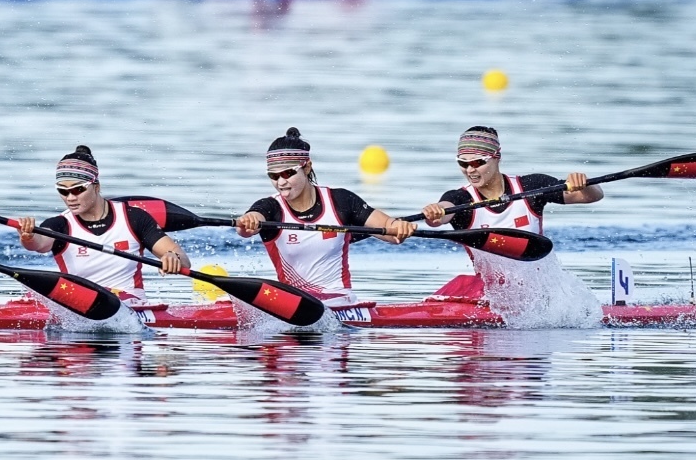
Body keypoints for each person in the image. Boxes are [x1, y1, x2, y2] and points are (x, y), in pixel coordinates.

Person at [419, 126, 604, 320]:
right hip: (491, 293)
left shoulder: (531, 187)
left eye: (478, 162)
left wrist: (585, 184)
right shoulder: (460, 199)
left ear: (497, 157)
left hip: (541, 295)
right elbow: (439, 218)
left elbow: (591, 196)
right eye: (463, 163)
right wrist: (434, 212)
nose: (470, 170)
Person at [236, 127, 416, 307]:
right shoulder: (270, 207)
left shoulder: (341, 201)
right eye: (274, 176)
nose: (281, 182)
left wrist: (400, 227)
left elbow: (390, 230)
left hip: (341, 302)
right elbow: (245, 229)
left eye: (288, 173)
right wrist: (248, 221)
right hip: (293, 305)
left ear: (307, 167)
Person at [17, 145, 191, 306]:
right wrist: (28, 237)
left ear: (96, 187)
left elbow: (184, 261)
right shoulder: (60, 225)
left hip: (131, 304)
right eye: (63, 191)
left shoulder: (133, 218)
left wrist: (172, 257)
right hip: (78, 303)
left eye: (78, 190)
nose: (70, 198)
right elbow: (39, 243)